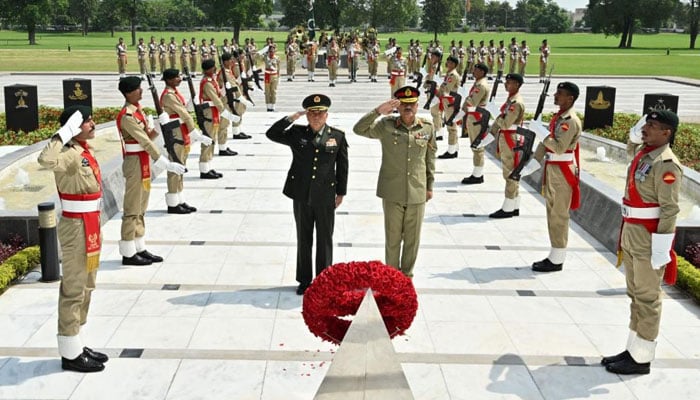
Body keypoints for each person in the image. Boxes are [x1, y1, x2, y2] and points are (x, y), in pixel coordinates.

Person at [602, 110, 682, 375]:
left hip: (649, 237)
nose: (646, 129)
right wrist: (639, 130)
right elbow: (631, 143)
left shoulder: (666, 164)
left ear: (666, 133)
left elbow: (669, 209)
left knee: (647, 298)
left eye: (653, 125)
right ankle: (632, 349)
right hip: (633, 232)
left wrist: (662, 246)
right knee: (635, 294)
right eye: (646, 124)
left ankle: (642, 357)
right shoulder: (643, 155)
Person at [37, 105, 109, 373]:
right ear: (73, 128)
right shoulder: (67, 154)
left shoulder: (83, 152)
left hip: (90, 224)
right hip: (76, 226)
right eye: (86, 121)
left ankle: (77, 341)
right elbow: (44, 160)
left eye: (91, 119)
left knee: (87, 284)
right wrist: (62, 134)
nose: (92, 124)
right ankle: (69, 354)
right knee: (75, 287)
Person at [266, 94, 349, 295]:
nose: (316, 117)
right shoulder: (296, 133)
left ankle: (324, 280)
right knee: (304, 238)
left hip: (325, 195)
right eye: (312, 113)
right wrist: (292, 117)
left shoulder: (337, 136)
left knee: (325, 239)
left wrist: (341, 192)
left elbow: (343, 167)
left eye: (320, 113)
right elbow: (272, 133)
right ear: (307, 115)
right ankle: (304, 280)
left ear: (326, 115)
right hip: (301, 194)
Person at [353, 86, 436, 278]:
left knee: (412, 239)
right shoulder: (386, 125)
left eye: (411, 104)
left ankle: (406, 278)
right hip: (392, 191)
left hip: (417, 191)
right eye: (403, 104)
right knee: (392, 238)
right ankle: (391, 278)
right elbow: (359, 129)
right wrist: (377, 111)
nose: (408, 108)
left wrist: (430, 186)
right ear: (396, 106)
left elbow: (430, 159)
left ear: (417, 105)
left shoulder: (427, 127)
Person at [116, 76, 186, 265]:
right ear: (129, 92)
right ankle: (128, 252)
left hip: (143, 161)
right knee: (132, 208)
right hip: (134, 164)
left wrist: (157, 126)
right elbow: (144, 141)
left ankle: (139, 246)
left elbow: (149, 136)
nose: (141, 92)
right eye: (138, 89)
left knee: (141, 207)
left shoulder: (137, 112)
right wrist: (163, 161)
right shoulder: (127, 116)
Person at [531, 82, 582, 272]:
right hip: (554, 168)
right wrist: (534, 161)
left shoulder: (570, 121)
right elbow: (548, 144)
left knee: (559, 215)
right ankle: (554, 254)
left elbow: (559, 147)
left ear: (570, 98)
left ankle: (557, 259)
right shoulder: (560, 117)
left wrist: (541, 132)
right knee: (552, 214)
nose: (555, 95)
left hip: (562, 171)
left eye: (559, 94)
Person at [160, 68, 213, 214]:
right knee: (175, 168)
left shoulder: (174, 93)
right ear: (169, 80)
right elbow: (183, 114)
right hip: (176, 133)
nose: (180, 79)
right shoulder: (169, 95)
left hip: (180, 132)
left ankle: (179, 200)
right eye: (177, 77)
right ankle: (173, 204)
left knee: (180, 168)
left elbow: (183, 109)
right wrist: (194, 132)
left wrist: (191, 103)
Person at [488, 73, 525, 219]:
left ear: (516, 85)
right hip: (507, 137)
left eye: (509, 83)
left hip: (510, 138)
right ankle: (514, 204)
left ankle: (508, 207)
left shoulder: (515, 103)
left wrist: (494, 112)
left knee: (510, 173)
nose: (506, 85)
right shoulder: (511, 99)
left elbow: (505, 123)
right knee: (511, 173)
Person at [461, 63, 491, 184]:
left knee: (477, 146)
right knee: (475, 145)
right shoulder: (478, 83)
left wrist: (463, 105)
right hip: (474, 117)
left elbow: (472, 102)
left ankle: (478, 175)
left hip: (477, 118)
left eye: (476, 70)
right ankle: (477, 172)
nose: (473, 71)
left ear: (482, 72)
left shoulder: (481, 85)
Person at [435, 55, 461, 159]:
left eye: (449, 62)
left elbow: (447, 88)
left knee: (451, 127)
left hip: (451, 102)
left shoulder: (453, 75)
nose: (447, 64)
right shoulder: (449, 74)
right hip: (448, 102)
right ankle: (454, 148)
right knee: (451, 126)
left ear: (454, 64)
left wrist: (439, 92)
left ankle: (451, 151)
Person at [263, 46, 281, 111]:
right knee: (267, 91)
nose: (272, 52)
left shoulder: (277, 58)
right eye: (270, 51)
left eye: (273, 51)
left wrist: (279, 77)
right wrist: (264, 50)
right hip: (267, 75)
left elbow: (278, 68)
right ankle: (268, 106)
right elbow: (257, 56)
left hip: (274, 76)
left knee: (273, 91)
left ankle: (273, 105)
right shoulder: (265, 57)